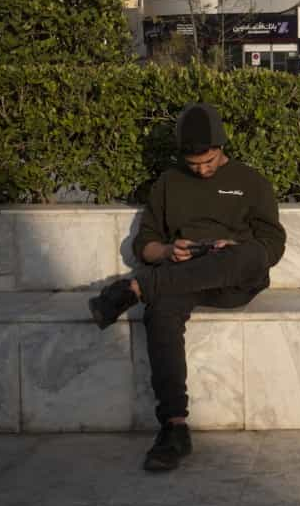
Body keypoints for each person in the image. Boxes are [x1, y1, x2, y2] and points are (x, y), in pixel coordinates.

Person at [88, 102, 286, 472]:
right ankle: (174, 428)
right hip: (184, 274)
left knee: (245, 256)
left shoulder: (251, 181)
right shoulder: (168, 183)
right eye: (194, 165)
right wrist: (167, 250)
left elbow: (272, 246)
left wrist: (232, 250)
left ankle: (136, 288)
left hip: (235, 277)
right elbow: (144, 245)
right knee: (160, 310)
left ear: (222, 147)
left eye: (209, 162)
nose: (202, 170)